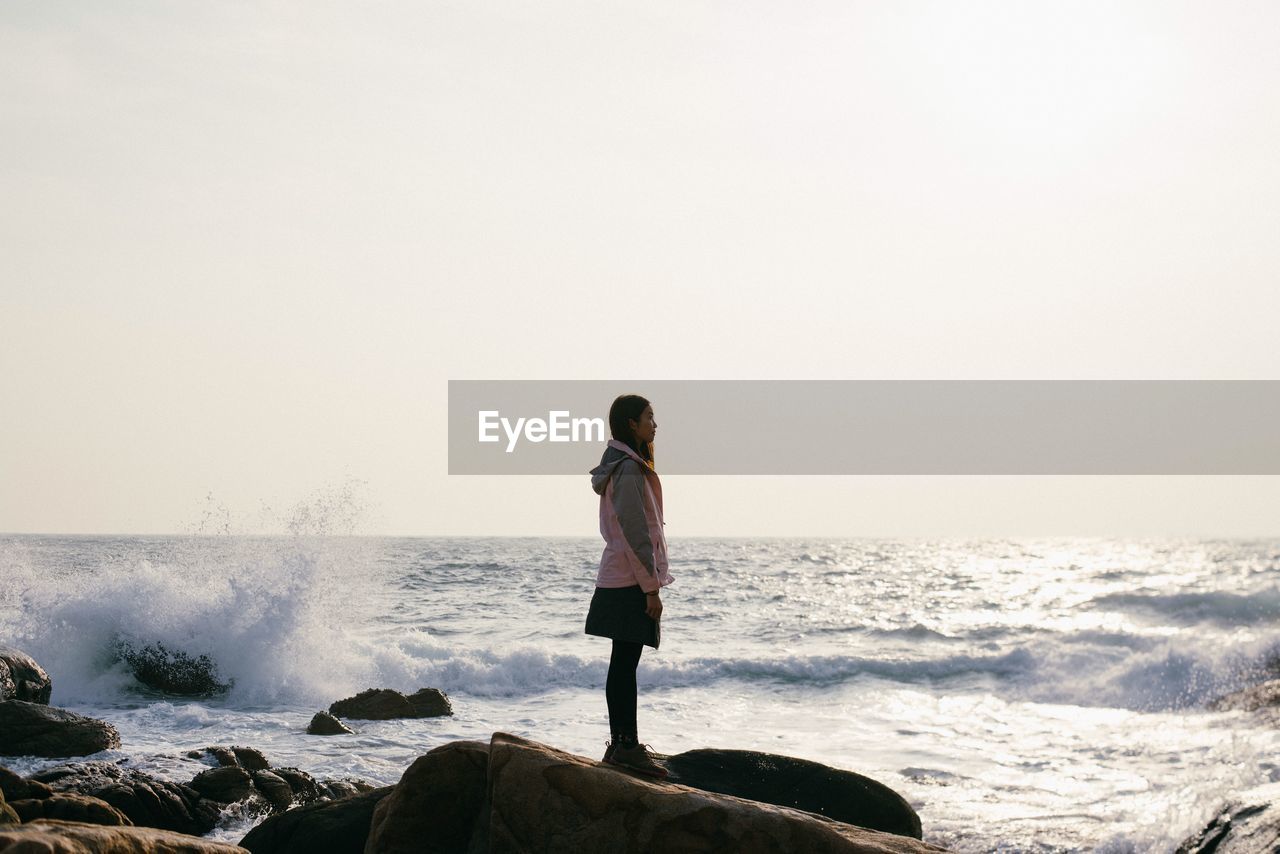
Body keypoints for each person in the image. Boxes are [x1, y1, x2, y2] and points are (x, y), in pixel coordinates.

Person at [585, 394, 672, 778]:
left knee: (622, 664)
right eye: (649, 418)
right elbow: (636, 533)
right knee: (624, 666)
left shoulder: (623, 465)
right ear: (631, 424)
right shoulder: (629, 469)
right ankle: (626, 746)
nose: (655, 425)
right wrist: (650, 589)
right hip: (629, 580)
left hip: (622, 575)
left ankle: (622, 744)